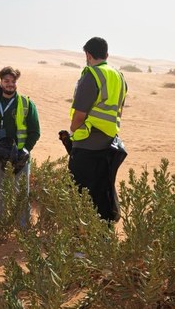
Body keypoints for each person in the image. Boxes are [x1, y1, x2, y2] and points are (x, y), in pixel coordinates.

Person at [65, 37, 127, 223]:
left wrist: (74, 132)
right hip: (109, 143)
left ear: (88, 55)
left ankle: (83, 242)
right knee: (103, 192)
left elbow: (79, 114)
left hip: (87, 145)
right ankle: (104, 239)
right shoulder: (119, 76)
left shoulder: (92, 74)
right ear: (106, 54)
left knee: (80, 194)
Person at [0, 66, 40, 225]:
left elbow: (35, 132)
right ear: (0, 82)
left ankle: (24, 230)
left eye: (13, 81)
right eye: (6, 81)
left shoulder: (27, 104)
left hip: (20, 157)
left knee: (21, 194)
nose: (10, 84)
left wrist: (25, 150)